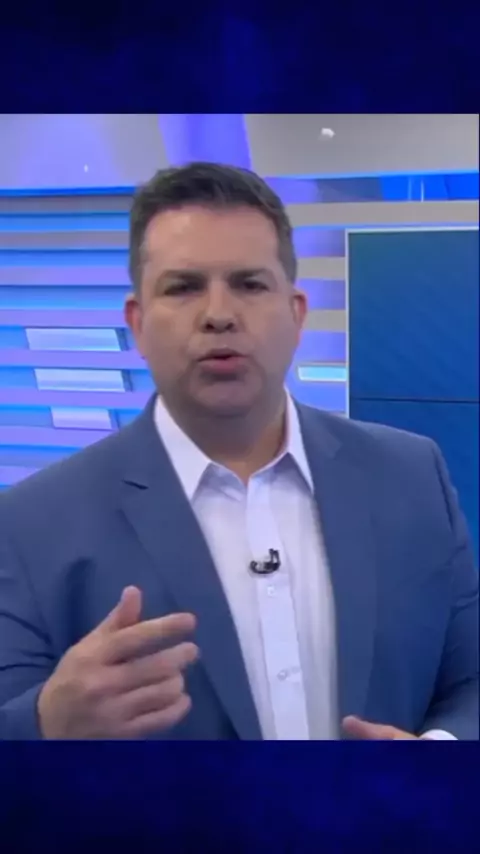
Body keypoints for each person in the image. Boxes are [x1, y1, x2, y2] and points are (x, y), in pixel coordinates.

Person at [0, 162, 477, 741]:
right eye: (183, 287)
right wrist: (47, 725)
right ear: (137, 323)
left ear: (296, 314)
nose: (219, 314)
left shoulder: (411, 475)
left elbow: (469, 679)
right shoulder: (30, 525)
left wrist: (439, 753)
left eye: (250, 284)